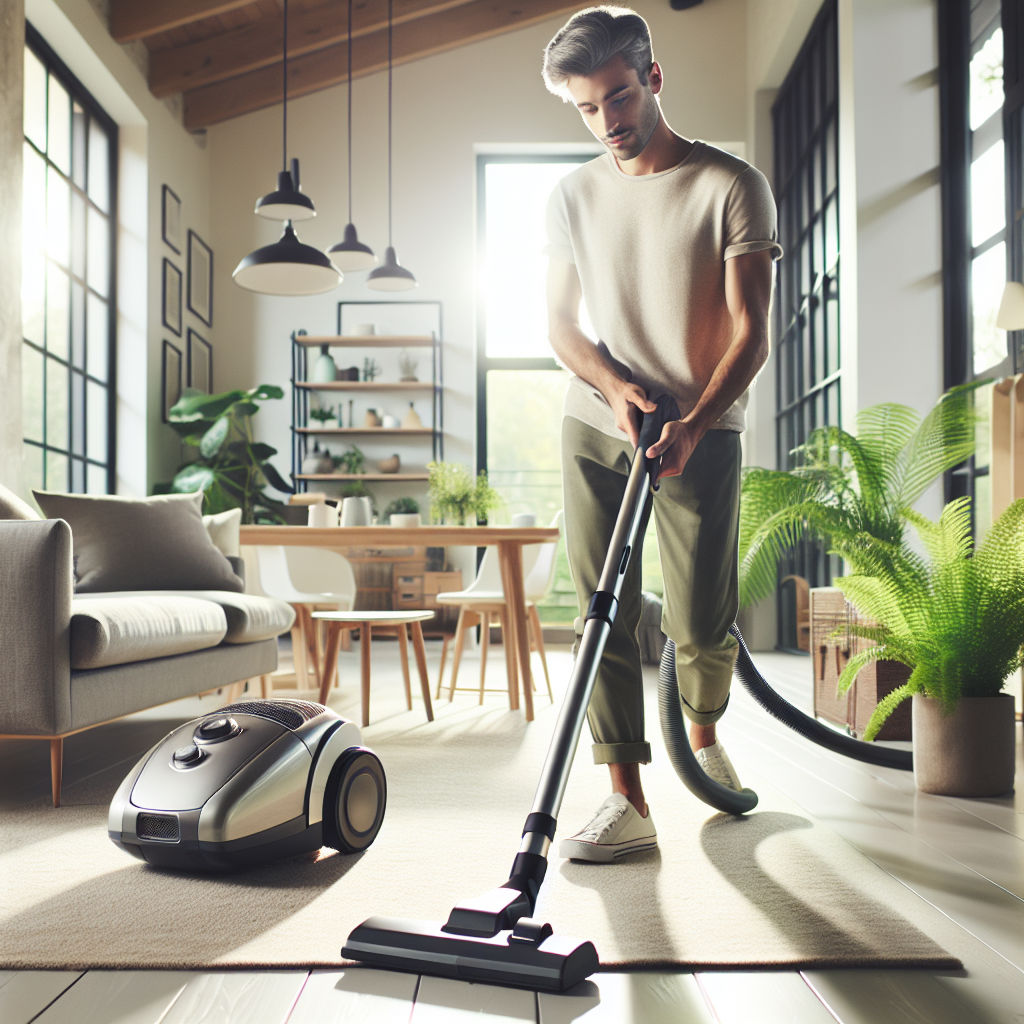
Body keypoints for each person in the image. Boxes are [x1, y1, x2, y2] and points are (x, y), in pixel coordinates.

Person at [542, 6, 781, 862]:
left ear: (653, 77)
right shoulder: (572, 195)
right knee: (600, 611)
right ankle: (626, 799)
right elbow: (560, 328)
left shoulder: (731, 184)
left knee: (701, 621)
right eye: (586, 108)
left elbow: (753, 331)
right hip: (598, 423)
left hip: (701, 425)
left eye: (618, 94)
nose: (608, 120)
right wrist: (610, 386)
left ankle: (703, 731)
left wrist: (694, 421)